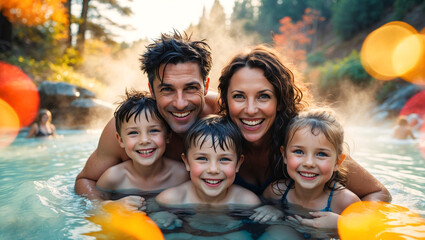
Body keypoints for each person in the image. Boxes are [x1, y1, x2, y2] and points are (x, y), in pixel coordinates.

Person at [217, 45, 391, 202]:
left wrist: (344, 222)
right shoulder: (213, 140)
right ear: (225, 101)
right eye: (239, 96)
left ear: (280, 101)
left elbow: (379, 194)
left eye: (264, 96)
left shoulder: (306, 137)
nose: (251, 109)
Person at [74, 30, 217, 200]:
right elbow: (85, 180)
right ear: (152, 90)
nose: (180, 103)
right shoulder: (128, 125)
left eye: (191, 88)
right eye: (167, 89)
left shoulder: (224, 113)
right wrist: (106, 209)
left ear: (206, 85)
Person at [260, 108, 361, 234]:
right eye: (299, 151)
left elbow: (366, 232)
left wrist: (341, 224)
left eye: (321, 154)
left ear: (337, 162)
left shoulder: (345, 201)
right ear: (284, 155)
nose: (308, 163)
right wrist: (272, 208)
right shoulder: (275, 193)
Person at [95, 90, 189, 209]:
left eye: (154, 130)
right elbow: (94, 206)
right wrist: (114, 206)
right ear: (120, 140)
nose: (144, 140)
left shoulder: (181, 175)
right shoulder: (113, 177)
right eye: (133, 132)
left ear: (168, 136)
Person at [156, 115, 260, 207]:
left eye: (224, 159)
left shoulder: (247, 202)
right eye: (202, 158)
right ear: (187, 162)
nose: (213, 170)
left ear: (238, 164)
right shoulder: (170, 200)